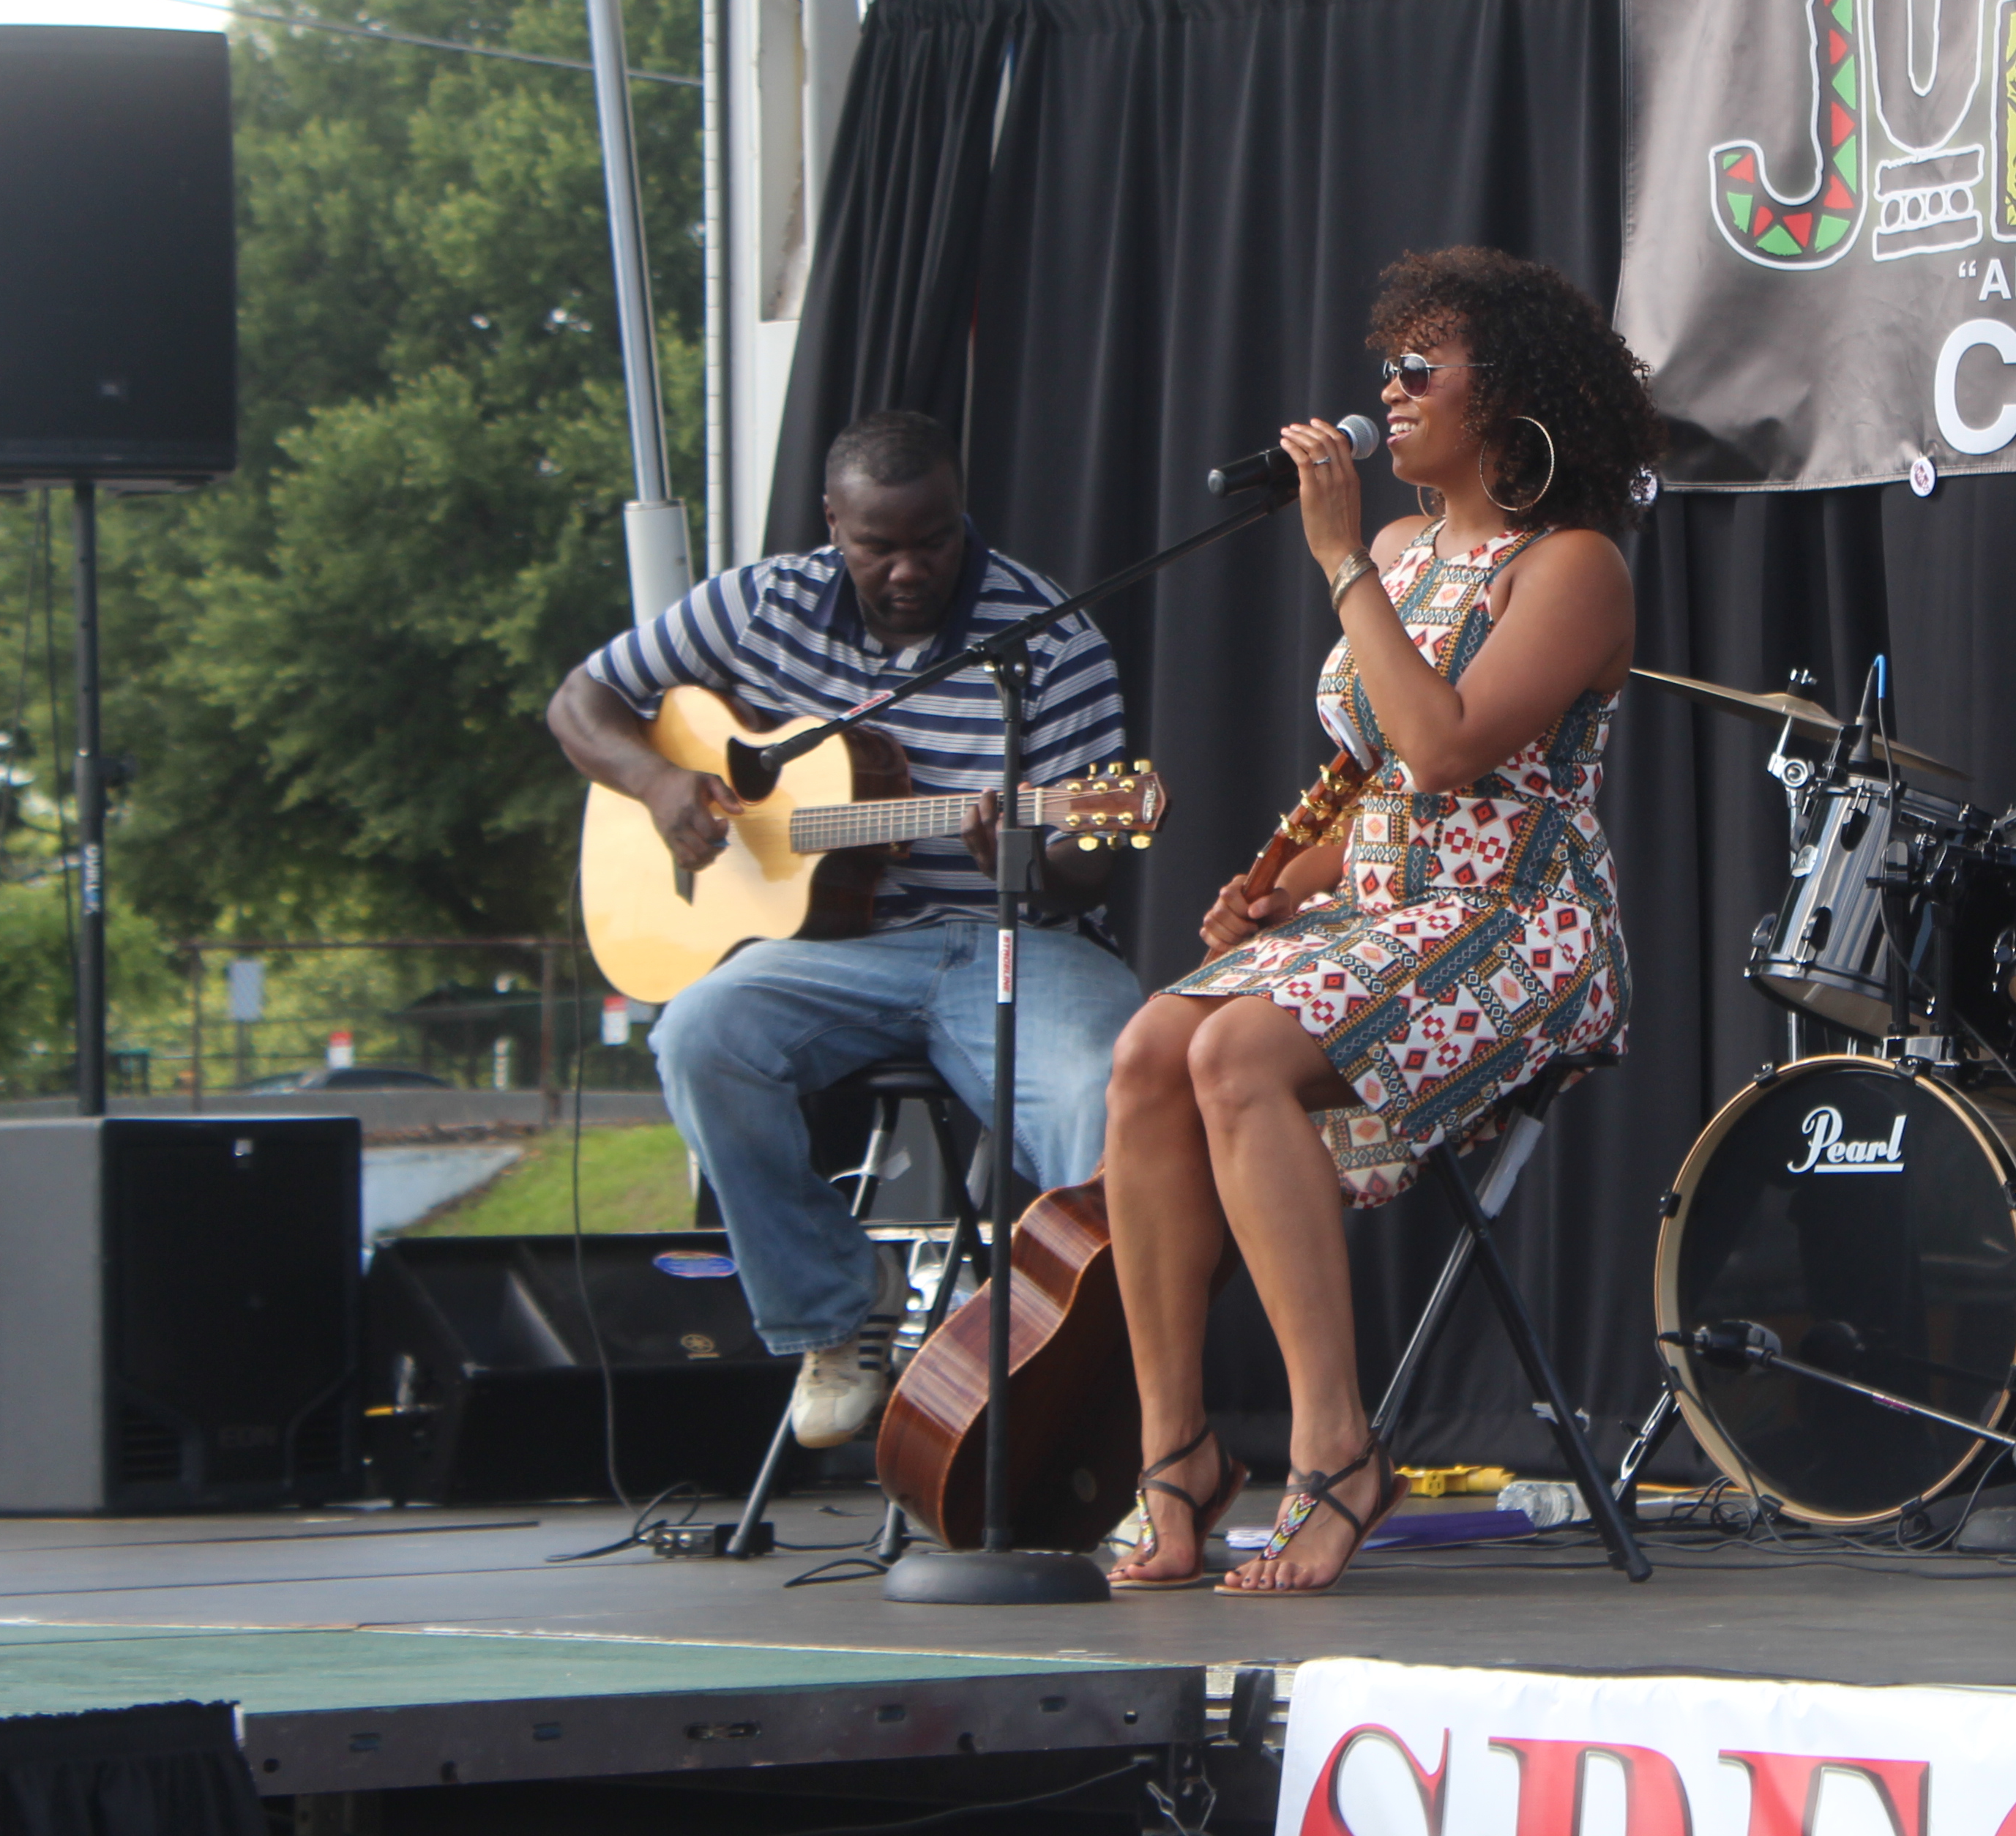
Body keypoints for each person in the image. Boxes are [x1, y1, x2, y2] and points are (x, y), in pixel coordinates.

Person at [1100, 247, 1665, 1594]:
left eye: (1421, 369)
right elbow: (1379, 783)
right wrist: (1288, 882)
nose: (1390, 393)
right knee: (1146, 1054)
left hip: (1521, 922)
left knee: (1236, 1052)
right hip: (1379, 905)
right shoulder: (1406, 553)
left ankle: (1335, 1450)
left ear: (1508, 392)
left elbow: (1448, 748)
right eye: (1387, 367)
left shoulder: (1572, 567)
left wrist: (1339, 557)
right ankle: (1176, 1457)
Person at [548, 411, 1146, 1452]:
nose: (910, 569)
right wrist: (657, 782)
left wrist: (1022, 857)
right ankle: (835, 1311)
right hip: (827, 954)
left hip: (1015, 942)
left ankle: (1095, 1387)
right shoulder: (757, 604)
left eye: (935, 540)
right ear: (834, 523)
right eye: (879, 546)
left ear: (962, 515)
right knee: (698, 1037)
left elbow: (1085, 866)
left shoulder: (1051, 638)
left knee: (1109, 1096)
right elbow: (579, 701)